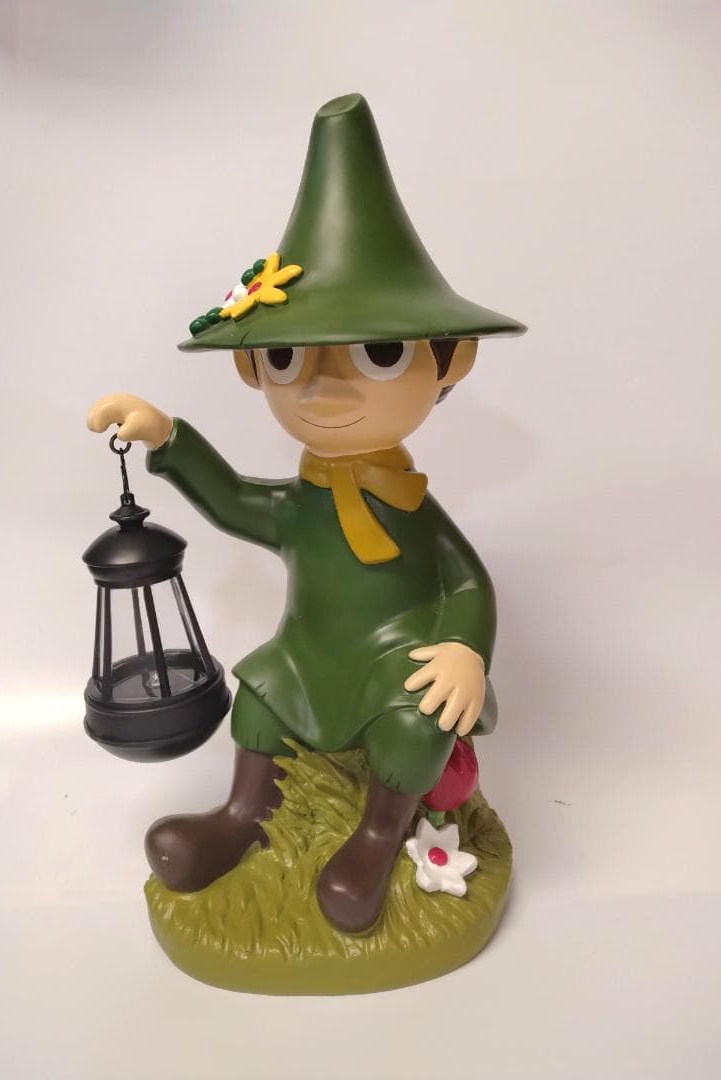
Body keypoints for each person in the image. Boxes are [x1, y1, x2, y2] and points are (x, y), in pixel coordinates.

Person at [87, 94, 525, 934]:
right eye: (289, 357)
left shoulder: (413, 511)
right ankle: (241, 816)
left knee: (416, 723)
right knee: (259, 693)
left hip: (395, 661)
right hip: (310, 653)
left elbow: (467, 582)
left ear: (451, 359)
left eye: (379, 352)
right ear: (254, 367)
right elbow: (231, 501)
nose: (323, 389)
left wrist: (465, 650)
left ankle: (378, 835)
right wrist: (169, 438)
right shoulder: (300, 505)